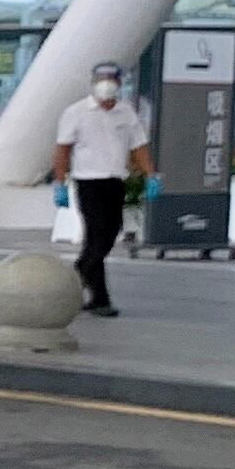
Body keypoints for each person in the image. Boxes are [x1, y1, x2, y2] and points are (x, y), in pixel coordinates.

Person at [51, 59, 152, 317]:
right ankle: (92, 287)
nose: (106, 85)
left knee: (110, 232)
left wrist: (151, 174)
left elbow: (138, 146)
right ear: (94, 83)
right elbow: (63, 149)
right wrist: (60, 182)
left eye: (111, 80)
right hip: (89, 182)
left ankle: (90, 285)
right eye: (101, 80)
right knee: (96, 235)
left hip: (115, 181)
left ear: (119, 83)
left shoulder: (126, 112)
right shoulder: (76, 112)